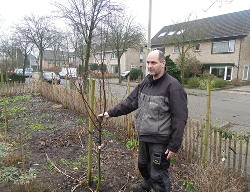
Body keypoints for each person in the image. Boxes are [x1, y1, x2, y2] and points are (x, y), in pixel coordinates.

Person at [98, 50, 188, 192]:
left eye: (153, 62)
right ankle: (147, 185)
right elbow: (131, 102)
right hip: (144, 136)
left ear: (163, 63)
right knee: (143, 165)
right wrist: (111, 112)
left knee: (158, 173)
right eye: (148, 63)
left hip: (160, 140)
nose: (150, 66)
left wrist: (174, 145)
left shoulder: (173, 86)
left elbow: (180, 117)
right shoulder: (147, 82)